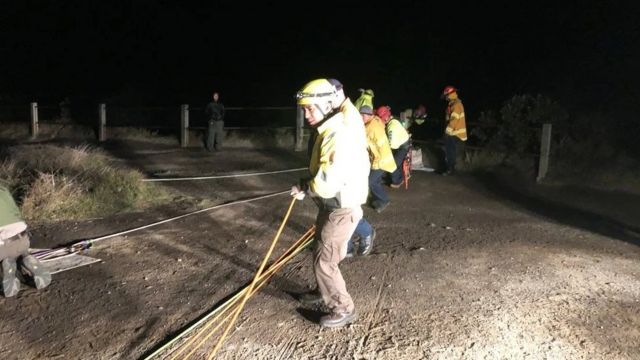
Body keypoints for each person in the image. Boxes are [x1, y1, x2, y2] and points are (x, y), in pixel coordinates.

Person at [291, 78, 369, 328]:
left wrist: (307, 187)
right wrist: (308, 183)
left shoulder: (337, 132)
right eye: (304, 109)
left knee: (324, 259)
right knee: (322, 250)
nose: (306, 115)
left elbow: (326, 182)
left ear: (328, 103)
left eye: (310, 108)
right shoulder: (332, 124)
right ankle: (323, 290)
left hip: (341, 207)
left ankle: (343, 308)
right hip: (334, 204)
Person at [1, 184, 51, 297]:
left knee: (5, 257)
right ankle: (24, 258)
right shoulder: (3, 189)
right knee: (18, 253)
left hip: (3, 246)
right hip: (23, 239)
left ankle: (6, 267)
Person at [376, 105, 410, 189]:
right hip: (403, 144)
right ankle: (397, 176)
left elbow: (392, 145)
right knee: (392, 161)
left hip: (403, 147)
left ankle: (398, 180)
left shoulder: (391, 127)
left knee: (392, 164)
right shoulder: (394, 120)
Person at [441, 86, 467, 175]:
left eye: (446, 95)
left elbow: (454, 120)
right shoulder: (454, 104)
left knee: (450, 152)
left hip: (454, 133)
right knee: (451, 151)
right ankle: (450, 169)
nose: (445, 97)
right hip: (454, 132)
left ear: (450, 94)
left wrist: (447, 131)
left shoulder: (456, 105)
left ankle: (449, 170)